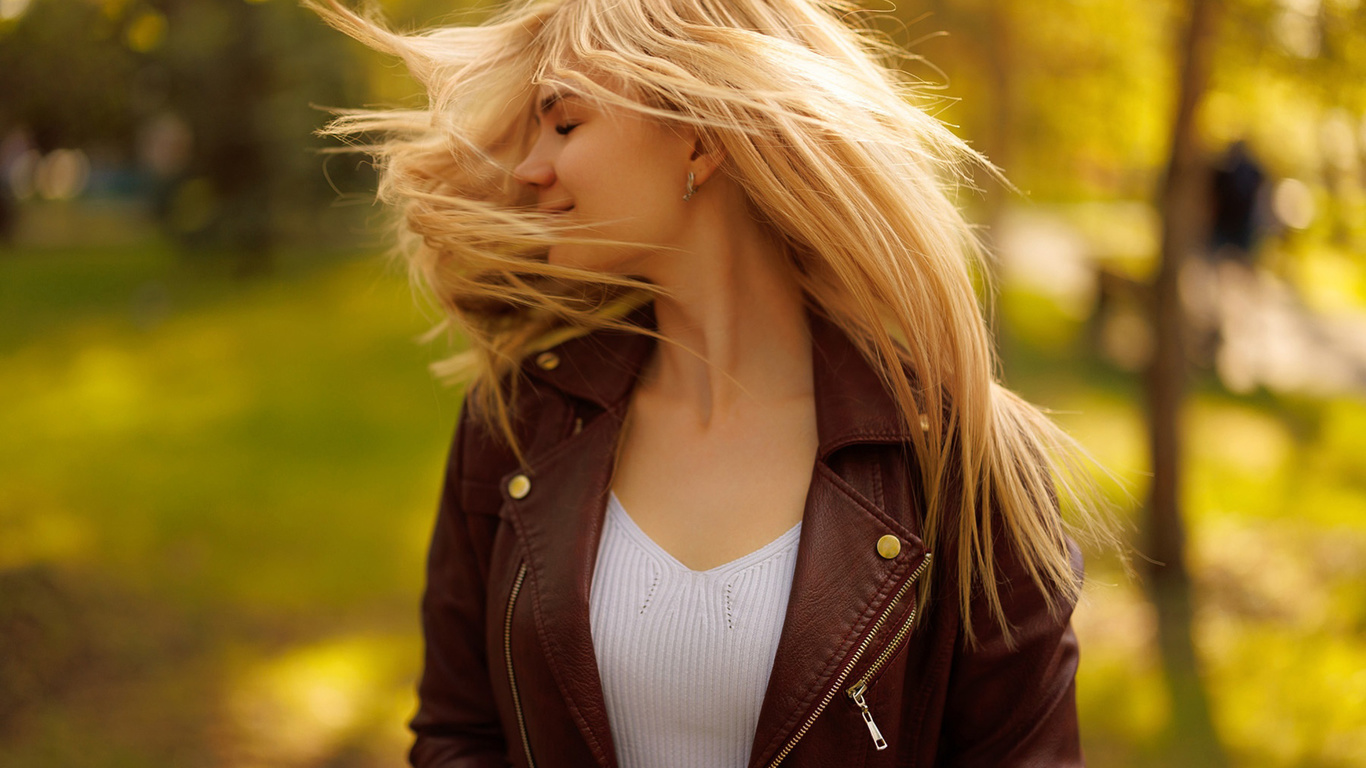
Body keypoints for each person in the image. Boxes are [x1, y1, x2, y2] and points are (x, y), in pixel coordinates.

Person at [313, 0, 1115, 765]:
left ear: (699, 140)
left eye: (564, 123)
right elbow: (459, 730)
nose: (529, 168)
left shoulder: (958, 461)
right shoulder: (517, 421)